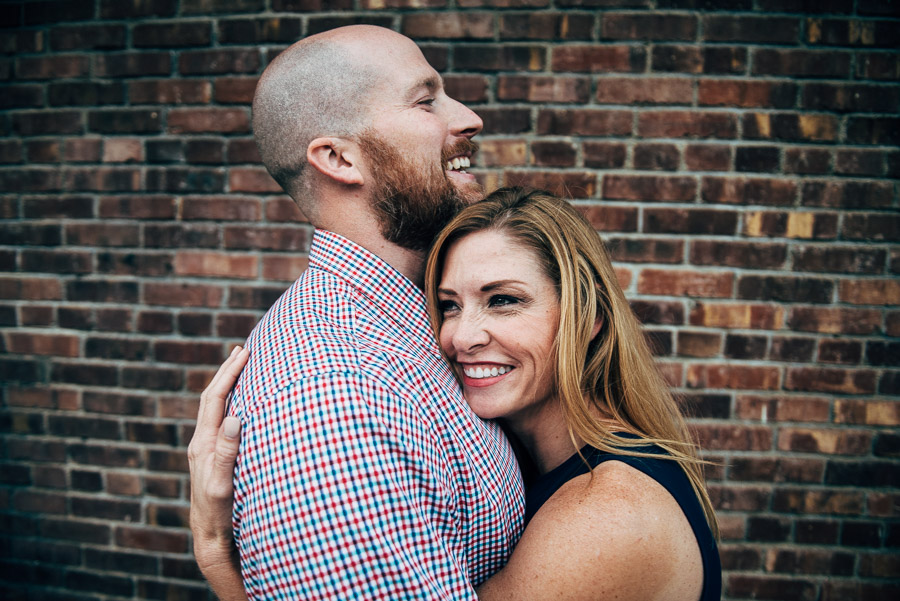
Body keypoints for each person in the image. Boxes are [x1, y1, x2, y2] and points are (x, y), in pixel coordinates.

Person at [192, 188, 723, 600]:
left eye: (504, 301)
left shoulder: (605, 515)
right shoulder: (537, 462)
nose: (461, 337)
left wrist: (217, 558)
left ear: (590, 321)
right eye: (449, 305)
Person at [187, 24, 525, 599]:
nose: (469, 117)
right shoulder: (335, 396)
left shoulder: (416, 328)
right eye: (426, 100)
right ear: (340, 158)